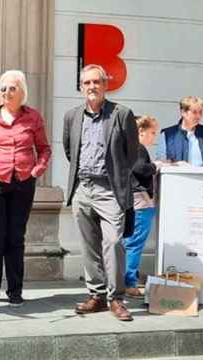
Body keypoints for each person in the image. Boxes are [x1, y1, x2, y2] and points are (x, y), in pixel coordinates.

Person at [62, 64, 138, 321]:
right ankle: (97, 296)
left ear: (105, 85)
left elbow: (132, 154)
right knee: (88, 245)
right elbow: (70, 150)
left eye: (96, 82)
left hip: (110, 189)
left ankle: (116, 298)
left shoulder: (122, 114)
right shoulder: (72, 116)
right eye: (87, 83)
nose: (92, 87)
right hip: (83, 187)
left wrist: (117, 178)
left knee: (114, 242)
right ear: (81, 87)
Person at [0, 70, 51, 307]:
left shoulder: (33, 117)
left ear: (22, 92)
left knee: (16, 237)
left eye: (12, 88)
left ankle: (15, 290)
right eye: (3, 88)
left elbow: (44, 149)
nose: (7, 92)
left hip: (23, 183)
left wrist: (37, 170)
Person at [124, 116, 159, 298]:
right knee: (135, 243)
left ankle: (129, 277)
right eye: (152, 133)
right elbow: (140, 168)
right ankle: (129, 283)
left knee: (130, 242)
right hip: (141, 200)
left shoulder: (131, 147)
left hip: (134, 199)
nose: (154, 137)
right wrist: (156, 165)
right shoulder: (138, 148)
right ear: (141, 132)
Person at [156, 96, 203, 167]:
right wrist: (175, 165)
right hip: (178, 177)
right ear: (183, 112)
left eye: (200, 112)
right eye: (194, 112)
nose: (198, 116)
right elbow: (160, 164)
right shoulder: (167, 134)